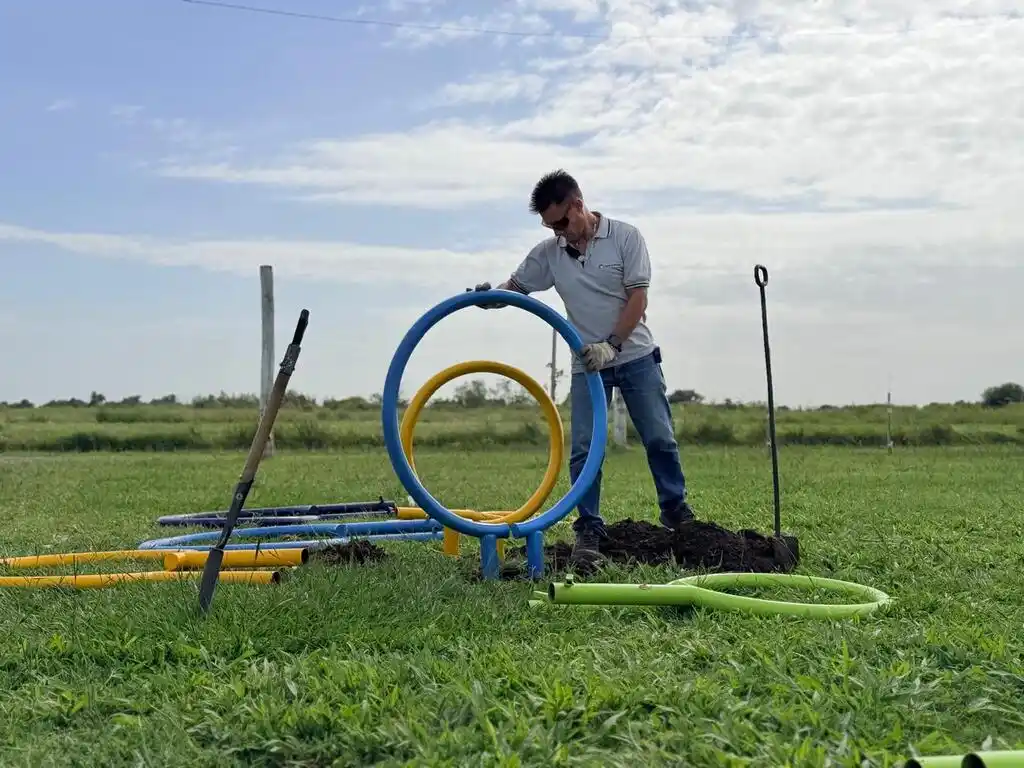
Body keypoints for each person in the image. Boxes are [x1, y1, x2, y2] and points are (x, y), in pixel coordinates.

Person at [468, 169, 695, 570]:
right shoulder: (550, 253)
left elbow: (637, 300)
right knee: (585, 449)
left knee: (660, 439)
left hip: (635, 356)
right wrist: (489, 299)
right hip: (587, 364)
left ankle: (677, 513)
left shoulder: (626, 237)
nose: (558, 231)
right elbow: (516, 289)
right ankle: (589, 526)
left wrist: (612, 345)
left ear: (578, 204)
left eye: (561, 221)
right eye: (549, 225)